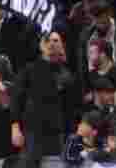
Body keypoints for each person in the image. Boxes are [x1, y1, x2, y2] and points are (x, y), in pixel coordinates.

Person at [12, 30, 83, 168]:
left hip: (59, 132)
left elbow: (74, 106)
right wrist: (15, 128)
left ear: (62, 45)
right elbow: (16, 99)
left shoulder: (68, 75)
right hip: (33, 131)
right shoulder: (28, 70)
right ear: (41, 46)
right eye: (47, 40)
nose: (51, 43)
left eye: (56, 40)